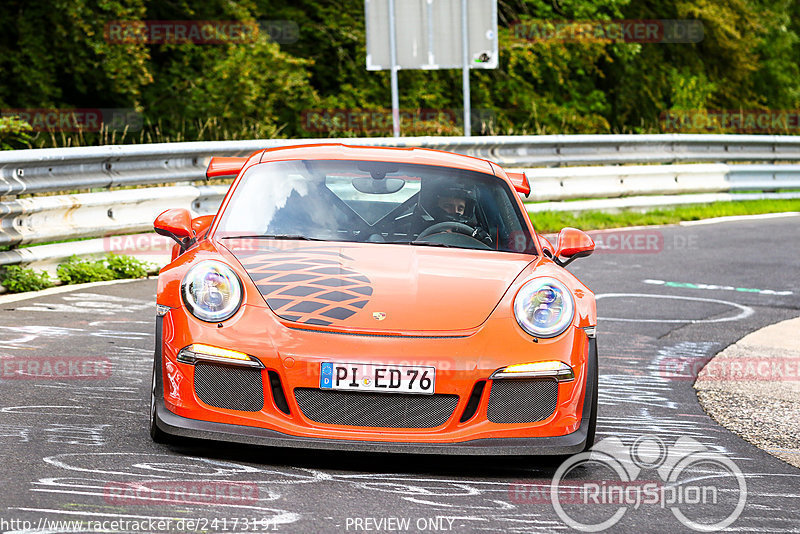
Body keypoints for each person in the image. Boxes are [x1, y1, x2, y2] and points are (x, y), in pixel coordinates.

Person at [414, 181, 493, 245]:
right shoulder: (419, 229)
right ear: (434, 207)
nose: (455, 211)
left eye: (460, 208)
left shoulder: (473, 234)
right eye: (448, 206)